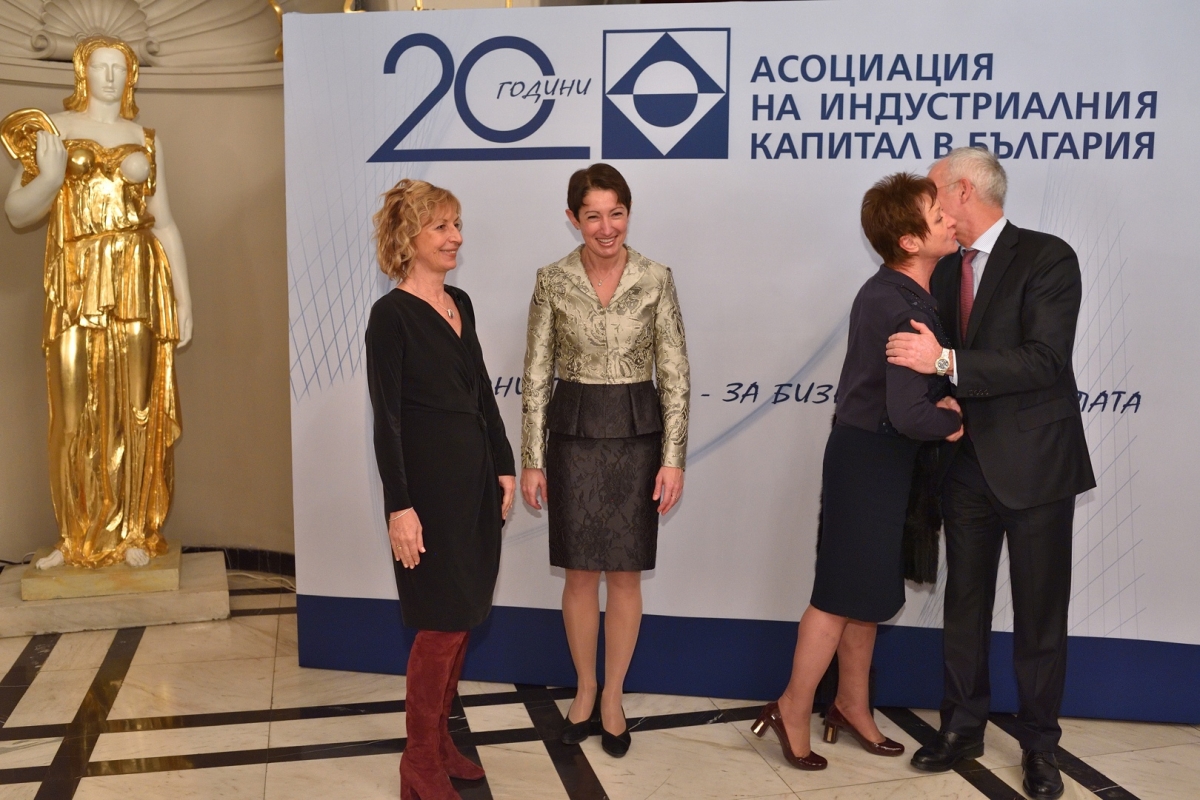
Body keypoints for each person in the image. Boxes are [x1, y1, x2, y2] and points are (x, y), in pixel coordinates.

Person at [887, 147, 1094, 800]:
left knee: (1039, 616)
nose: (927, 204)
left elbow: (1043, 360)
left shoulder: (1048, 257)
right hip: (964, 463)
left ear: (963, 192)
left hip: (1037, 468)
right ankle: (961, 728)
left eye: (932, 191)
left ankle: (1040, 747)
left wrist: (946, 363)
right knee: (964, 606)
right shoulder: (945, 269)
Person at [751, 173, 964, 770]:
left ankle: (850, 704)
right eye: (937, 215)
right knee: (838, 597)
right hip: (870, 461)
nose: (950, 218)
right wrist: (951, 420)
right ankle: (793, 707)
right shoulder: (899, 304)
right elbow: (909, 411)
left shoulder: (898, 292)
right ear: (909, 240)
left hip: (877, 459)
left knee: (865, 596)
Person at [2, 36, 191, 569]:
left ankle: (133, 531)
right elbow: (17, 212)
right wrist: (52, 177)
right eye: (100, 66)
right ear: (83, 73)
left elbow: (166, 222)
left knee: (136, 407)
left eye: (119, 68)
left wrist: (184, 298)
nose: (110, 76)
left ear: (131, 77)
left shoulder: (145, 138)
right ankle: (76, 536)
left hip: (136, 280)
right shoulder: (55, 130)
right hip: (76, 280)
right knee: (70, 413)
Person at [520, 163, 689, 758]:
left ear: (628, 213)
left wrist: (673, 457)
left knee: (624, 573)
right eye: (592, 215)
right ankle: (585, 690)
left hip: (637, 437)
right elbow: (536, 372)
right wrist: (532, 458)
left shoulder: (656, 277)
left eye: (616, 213)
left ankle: (613, 696)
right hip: (572, 436)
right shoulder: (551, 280)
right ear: (573, 219)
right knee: (578, 574)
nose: (606, 226)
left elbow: (675, 371)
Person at [365, 179, 516, 800]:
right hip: (427, 495)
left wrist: (504, 463)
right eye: (441, 227)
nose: (456, 237)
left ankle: (440, 741)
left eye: (457, 225)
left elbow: (480, 390)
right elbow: (387, 420)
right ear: (409, 237)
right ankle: (418, 761)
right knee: (439, 626)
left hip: (474, 483)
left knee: (464, 619)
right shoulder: (390, 317)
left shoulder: (461, 302)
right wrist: (399, 507)